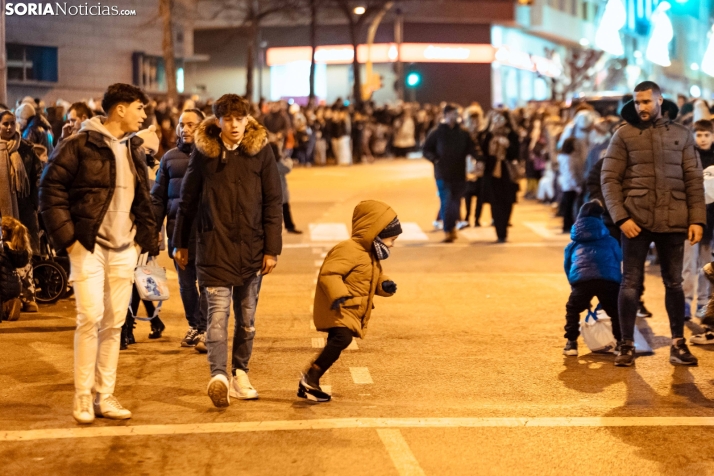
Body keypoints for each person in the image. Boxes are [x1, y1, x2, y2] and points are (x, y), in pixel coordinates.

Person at [39, 83, 159, 424]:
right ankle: (82, 396)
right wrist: (70, 241)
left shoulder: (134, 148)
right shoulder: (79, 143)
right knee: (89, 318)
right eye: (139, 108)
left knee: (115, 323)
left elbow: (143, 199)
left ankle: (104, 396)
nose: (144, 115)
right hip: (88, 247)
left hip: (124, 249)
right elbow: (50, 190)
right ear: (120, 109)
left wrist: (143, 242)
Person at [173, 94, 282, 408]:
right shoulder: (204, 154)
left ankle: (240, 372)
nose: (234, 125)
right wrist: (181, 243)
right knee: (217, 319)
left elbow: (273, 202)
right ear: (218, 121)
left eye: (239, 118)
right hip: (214, 248)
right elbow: (188, 201)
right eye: (228, 119)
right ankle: (219, 376)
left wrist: (271, 248)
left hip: (252, 250)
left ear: (247, 119)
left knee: (246, 320)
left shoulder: (261, 152)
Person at [601, 81, 706, 367]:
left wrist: (697, 219)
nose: (641, 107)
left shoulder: (682, 135)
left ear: (660, 100)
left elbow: (693, 180)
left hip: (673, 220)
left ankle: (677, 343)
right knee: (630, 283)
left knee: (674, 283)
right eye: (637, 102)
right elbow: (609, 179)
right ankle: (625, 344)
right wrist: (621, 217)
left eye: (647, 101)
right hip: (635, 219)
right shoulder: (624, 134)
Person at [298, 200, 401, 402]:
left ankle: (311, 381)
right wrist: (339, 295)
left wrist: (385, 285)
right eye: (391, 239)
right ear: (376, 233)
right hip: (340, 307)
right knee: (341, 339)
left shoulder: (370, 255)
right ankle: (310, 377)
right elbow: (330, 274)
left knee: (337, 344)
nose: (392, 244)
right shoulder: (348, 249)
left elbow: (373, 278)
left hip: (351, 309)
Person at [150, 108, 209, 351]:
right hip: (178, 232)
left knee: (207, 283)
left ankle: (206, 328)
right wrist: (154, 227)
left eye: (192, 125)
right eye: (182, 125)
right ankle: (195, 324)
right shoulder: (169, 158)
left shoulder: (211, 156)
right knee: (186, 284)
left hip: (207, 233)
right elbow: (158, 197)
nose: (185, 129)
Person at [562, 200, 622, 356]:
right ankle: (621, 343)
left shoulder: (573, 244)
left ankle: (571, 343)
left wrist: (575, 286)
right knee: (615, 311)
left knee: (573, 308)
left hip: (582, 281)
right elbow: (618, 258)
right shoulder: (610, 240)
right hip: (608, 280)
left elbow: (568, 266)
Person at [0, 110, 43, 313]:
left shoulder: (26, 148)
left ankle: (28, 296)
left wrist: (36, 203)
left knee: (23, 253)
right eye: (4, 124)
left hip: (23, 210)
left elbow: (38, 175)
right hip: (2, 212)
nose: (8, 127)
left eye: (11, 124)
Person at [423, 104, 476, 243]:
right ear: (446, 115)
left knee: (456, 202)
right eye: (453, 113)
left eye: (457, 113)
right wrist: (435, 159)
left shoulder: (463, 133)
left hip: (459, 173)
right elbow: (426, 149)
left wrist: (479, 159)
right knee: (447, 201)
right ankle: (449, 230)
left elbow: (472, 148)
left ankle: (451, 227)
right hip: (442, 173)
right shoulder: (437, 132)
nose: (456, 116)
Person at [683, 119, 714, 321]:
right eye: (699, 135)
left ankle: (703, 303)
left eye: (706, 135)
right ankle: (685, 301)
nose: (703, 139)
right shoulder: (688, 157)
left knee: (707, 265)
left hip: (711, 220)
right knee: (687, 263)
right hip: (690, 219)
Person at [479, 110, 520, 243]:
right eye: (496, 119)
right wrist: (490, 135)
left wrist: (508, 145)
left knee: (508, 201)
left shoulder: (512, 135)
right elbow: (482, 152)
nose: (499, 122)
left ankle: (505, 226)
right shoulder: (487, 135)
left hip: (508, 172)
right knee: (495, 202)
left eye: (501, 119)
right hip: (492, 173)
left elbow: (516, 154)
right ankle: (500, 232)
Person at [0, 216, 31, 322]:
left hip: (2, 288)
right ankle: (10, 303)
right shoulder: (15, 247)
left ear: (3, 232)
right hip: (15, 288)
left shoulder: (3, 248)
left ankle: (5, 308)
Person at [273, 143, 302, 235]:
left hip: (274, 190)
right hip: (279, 190)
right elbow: (287, 168)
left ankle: (289, 226)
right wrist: (288, 159)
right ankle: (289, 227)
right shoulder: (277, 161)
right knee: (283, 209)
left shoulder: (267, 160)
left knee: (282, 209)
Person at [557, 138, 584, 233]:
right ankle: (567, 226)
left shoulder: (568, 157)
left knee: (569, 206)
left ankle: (568, 225)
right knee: (569, 207)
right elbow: (571, 173)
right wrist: (577, 186)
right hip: (570, 186)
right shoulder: (569, 158)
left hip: (568, 185)